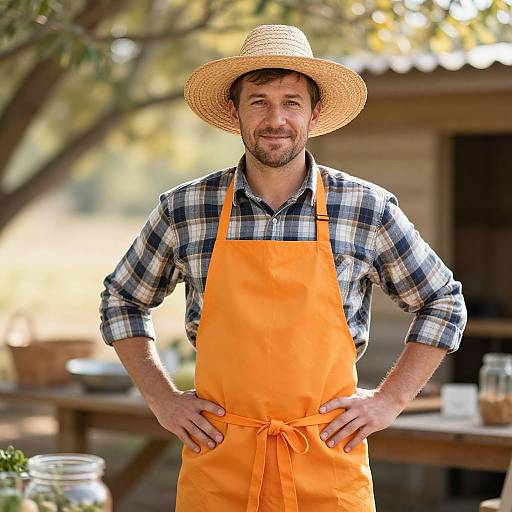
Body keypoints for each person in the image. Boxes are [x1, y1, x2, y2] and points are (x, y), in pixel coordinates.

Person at [99, 24, 467, 512]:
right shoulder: (186, 208)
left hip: (327, 467)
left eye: (291, 101)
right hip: (220, 463)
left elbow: (442, 302)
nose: (276, 118)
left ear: (314, 112)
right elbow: (121, 298)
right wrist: (163, 399)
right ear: (234, 112)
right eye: (259, 102)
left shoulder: (365, 208)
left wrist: (388, 401)